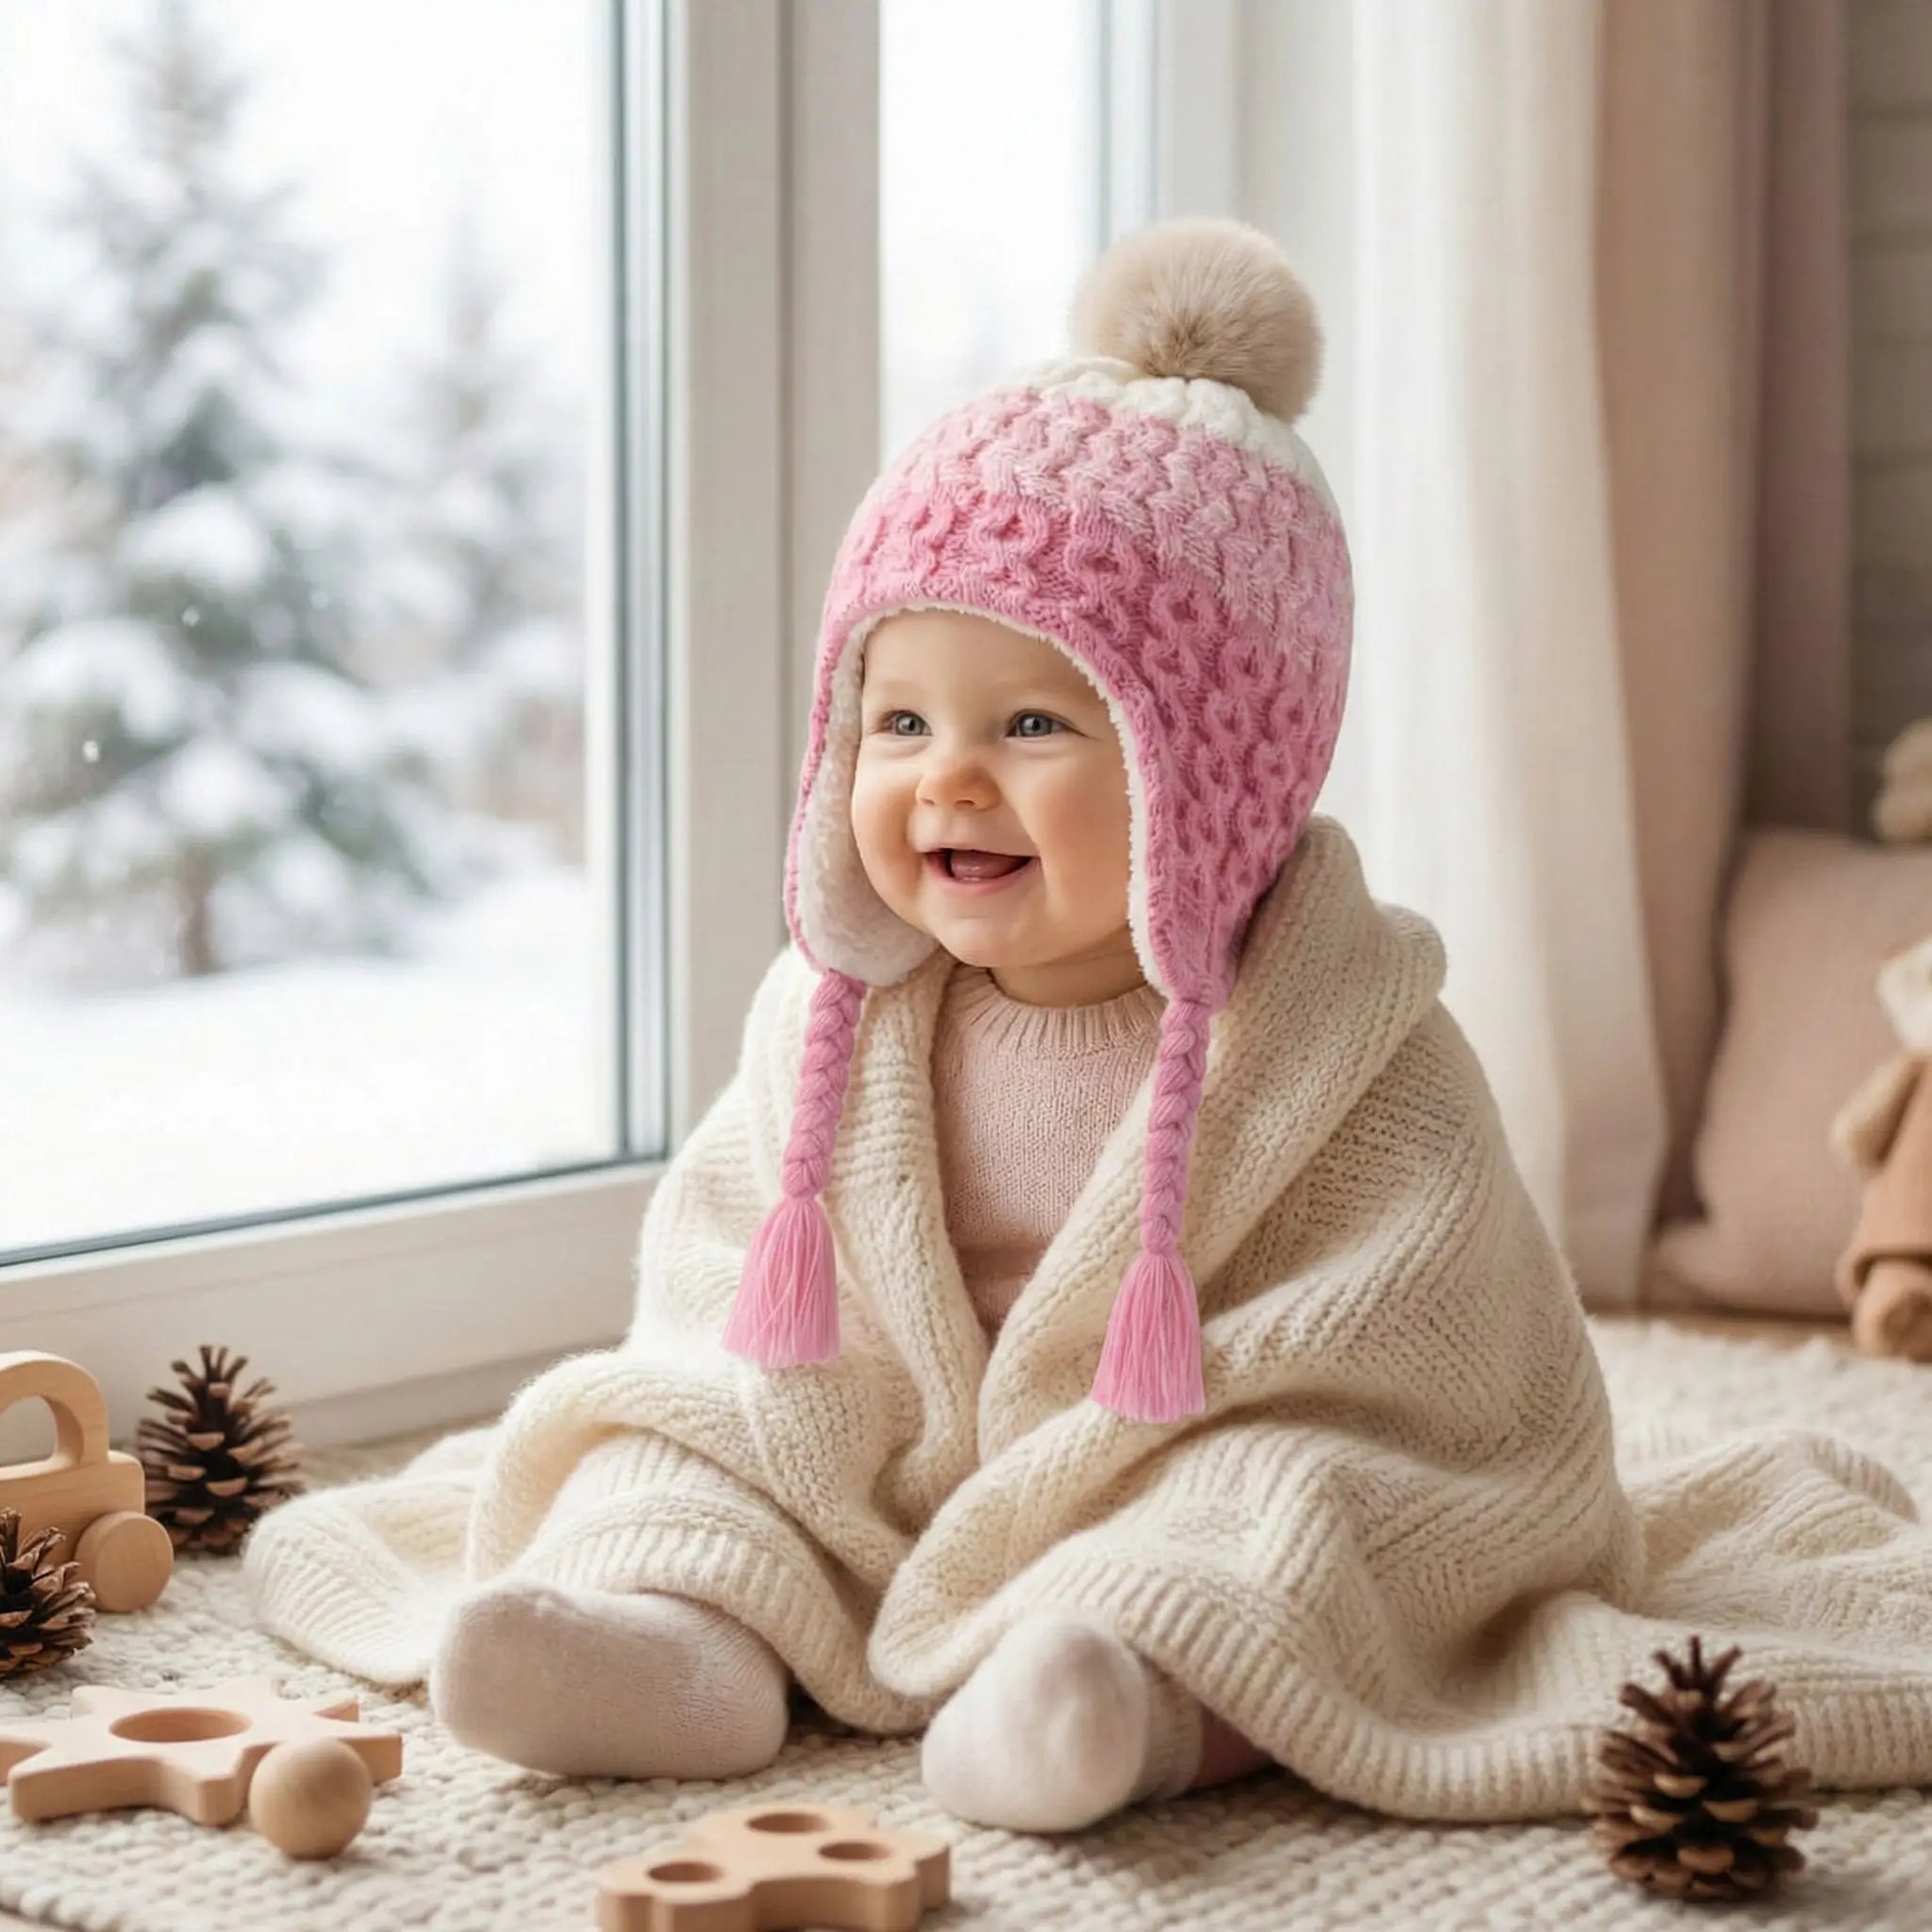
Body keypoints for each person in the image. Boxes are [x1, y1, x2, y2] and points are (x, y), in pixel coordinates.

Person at [246, 217, 1932, 1835]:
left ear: (1214, 779)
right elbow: (717, 1296)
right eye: (896, 719)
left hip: (1169, 1464)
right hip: (882, 1465)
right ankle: (681, 1643)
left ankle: (1116, 1705)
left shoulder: (1350, 1041)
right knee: (671, 1435)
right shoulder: (841, 1023)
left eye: (1034, 720)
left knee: (1285, 1523)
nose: (944, 777)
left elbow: (1437, 1347)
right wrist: (736, 1422)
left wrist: (1310, 1460)